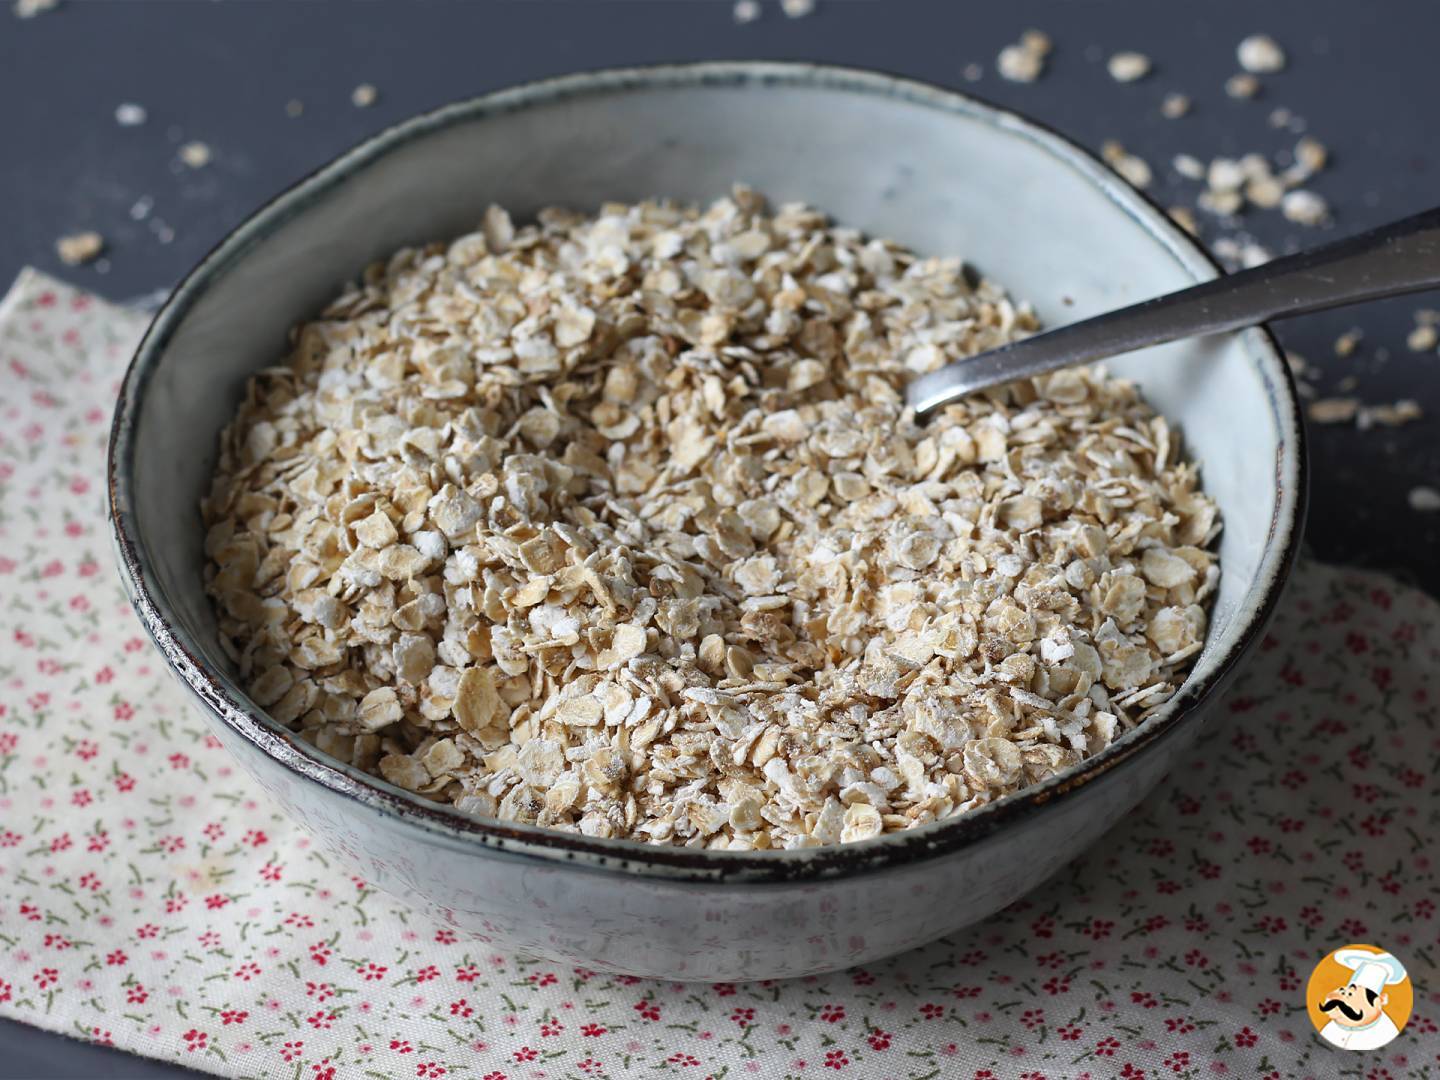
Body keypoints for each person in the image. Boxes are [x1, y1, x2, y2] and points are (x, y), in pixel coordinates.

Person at [1317, 949, 1408, 1050]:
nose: (1342, 999)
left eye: (1351, 995)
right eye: (1343, 992)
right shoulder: (1331, 1028)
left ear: (1379, 1001)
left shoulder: (1385, 1034)